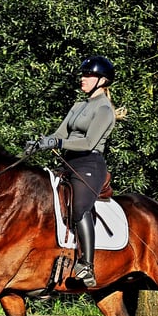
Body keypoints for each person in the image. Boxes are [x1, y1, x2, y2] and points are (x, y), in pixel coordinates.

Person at [24, 55, 117, 287]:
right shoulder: (78, 106)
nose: (83, 79)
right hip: (68, 162)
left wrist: (57, 144)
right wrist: (40, 142)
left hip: (89, 164)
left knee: (78, 209)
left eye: (88, 75)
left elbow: (88, 142)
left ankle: (87, 265)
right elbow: (60, 134)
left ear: (102, 80)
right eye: (83, 75)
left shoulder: (105, 109)